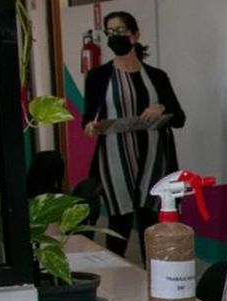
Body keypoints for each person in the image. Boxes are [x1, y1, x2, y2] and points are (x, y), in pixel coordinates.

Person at [83, 11, 186, 260]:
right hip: (115, 158)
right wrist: (91, 126)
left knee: (150, 219)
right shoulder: (98, 76)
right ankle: (115, 271)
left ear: (135, 35)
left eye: (120, 31)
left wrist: (161, 108)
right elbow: (87, 120)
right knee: (120, 219)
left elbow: (179, 118)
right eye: (110, 32)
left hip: (154, 158)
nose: (114, 37)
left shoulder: (157, 76)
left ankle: (153, 273)